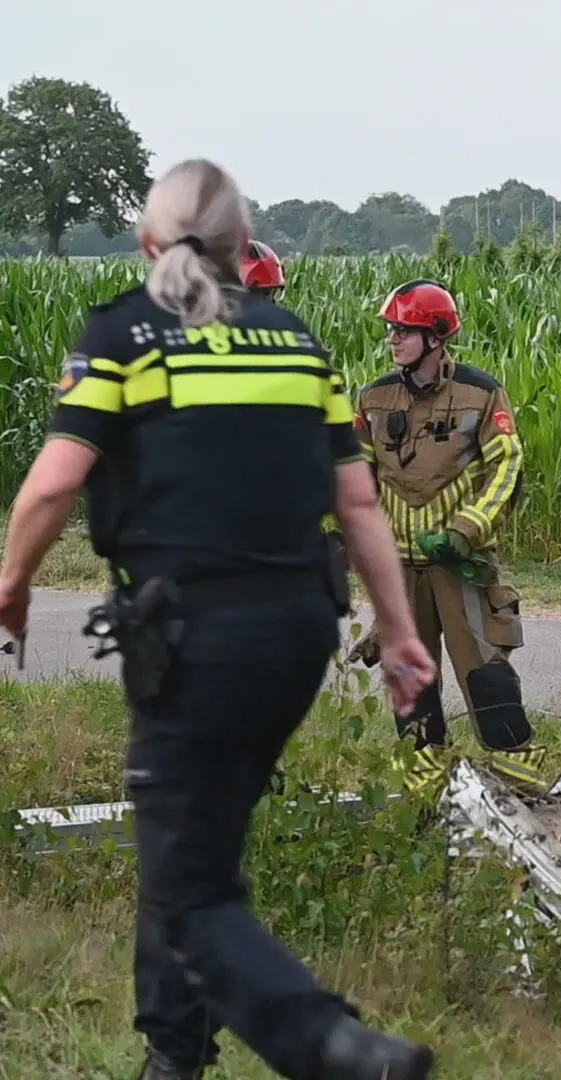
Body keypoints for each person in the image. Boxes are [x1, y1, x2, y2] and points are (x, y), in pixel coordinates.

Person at [0, 159, 437, 1080]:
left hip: (195, 640)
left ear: (150, 245)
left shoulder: (125, 335)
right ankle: (176, 1053)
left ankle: (330, 1047)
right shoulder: (295, 342)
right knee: (195, 850)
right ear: (243, 251)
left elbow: (54, 483)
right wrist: (399, 635)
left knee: (191, 888)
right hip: (296, 637)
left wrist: (11, 586)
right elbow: (358, 507)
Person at [353, 279, 540, 797]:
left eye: (404, 330)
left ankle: (522, 793)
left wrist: (466, 531)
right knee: (411, 688)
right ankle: (425, 798)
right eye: (391, 330)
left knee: (488, 678)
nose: (393, 339)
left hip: (460, 567)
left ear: (435, 336)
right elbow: (357, 480)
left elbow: (507, 468)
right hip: (399, 575)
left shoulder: (480, 394)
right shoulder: (373, 398)